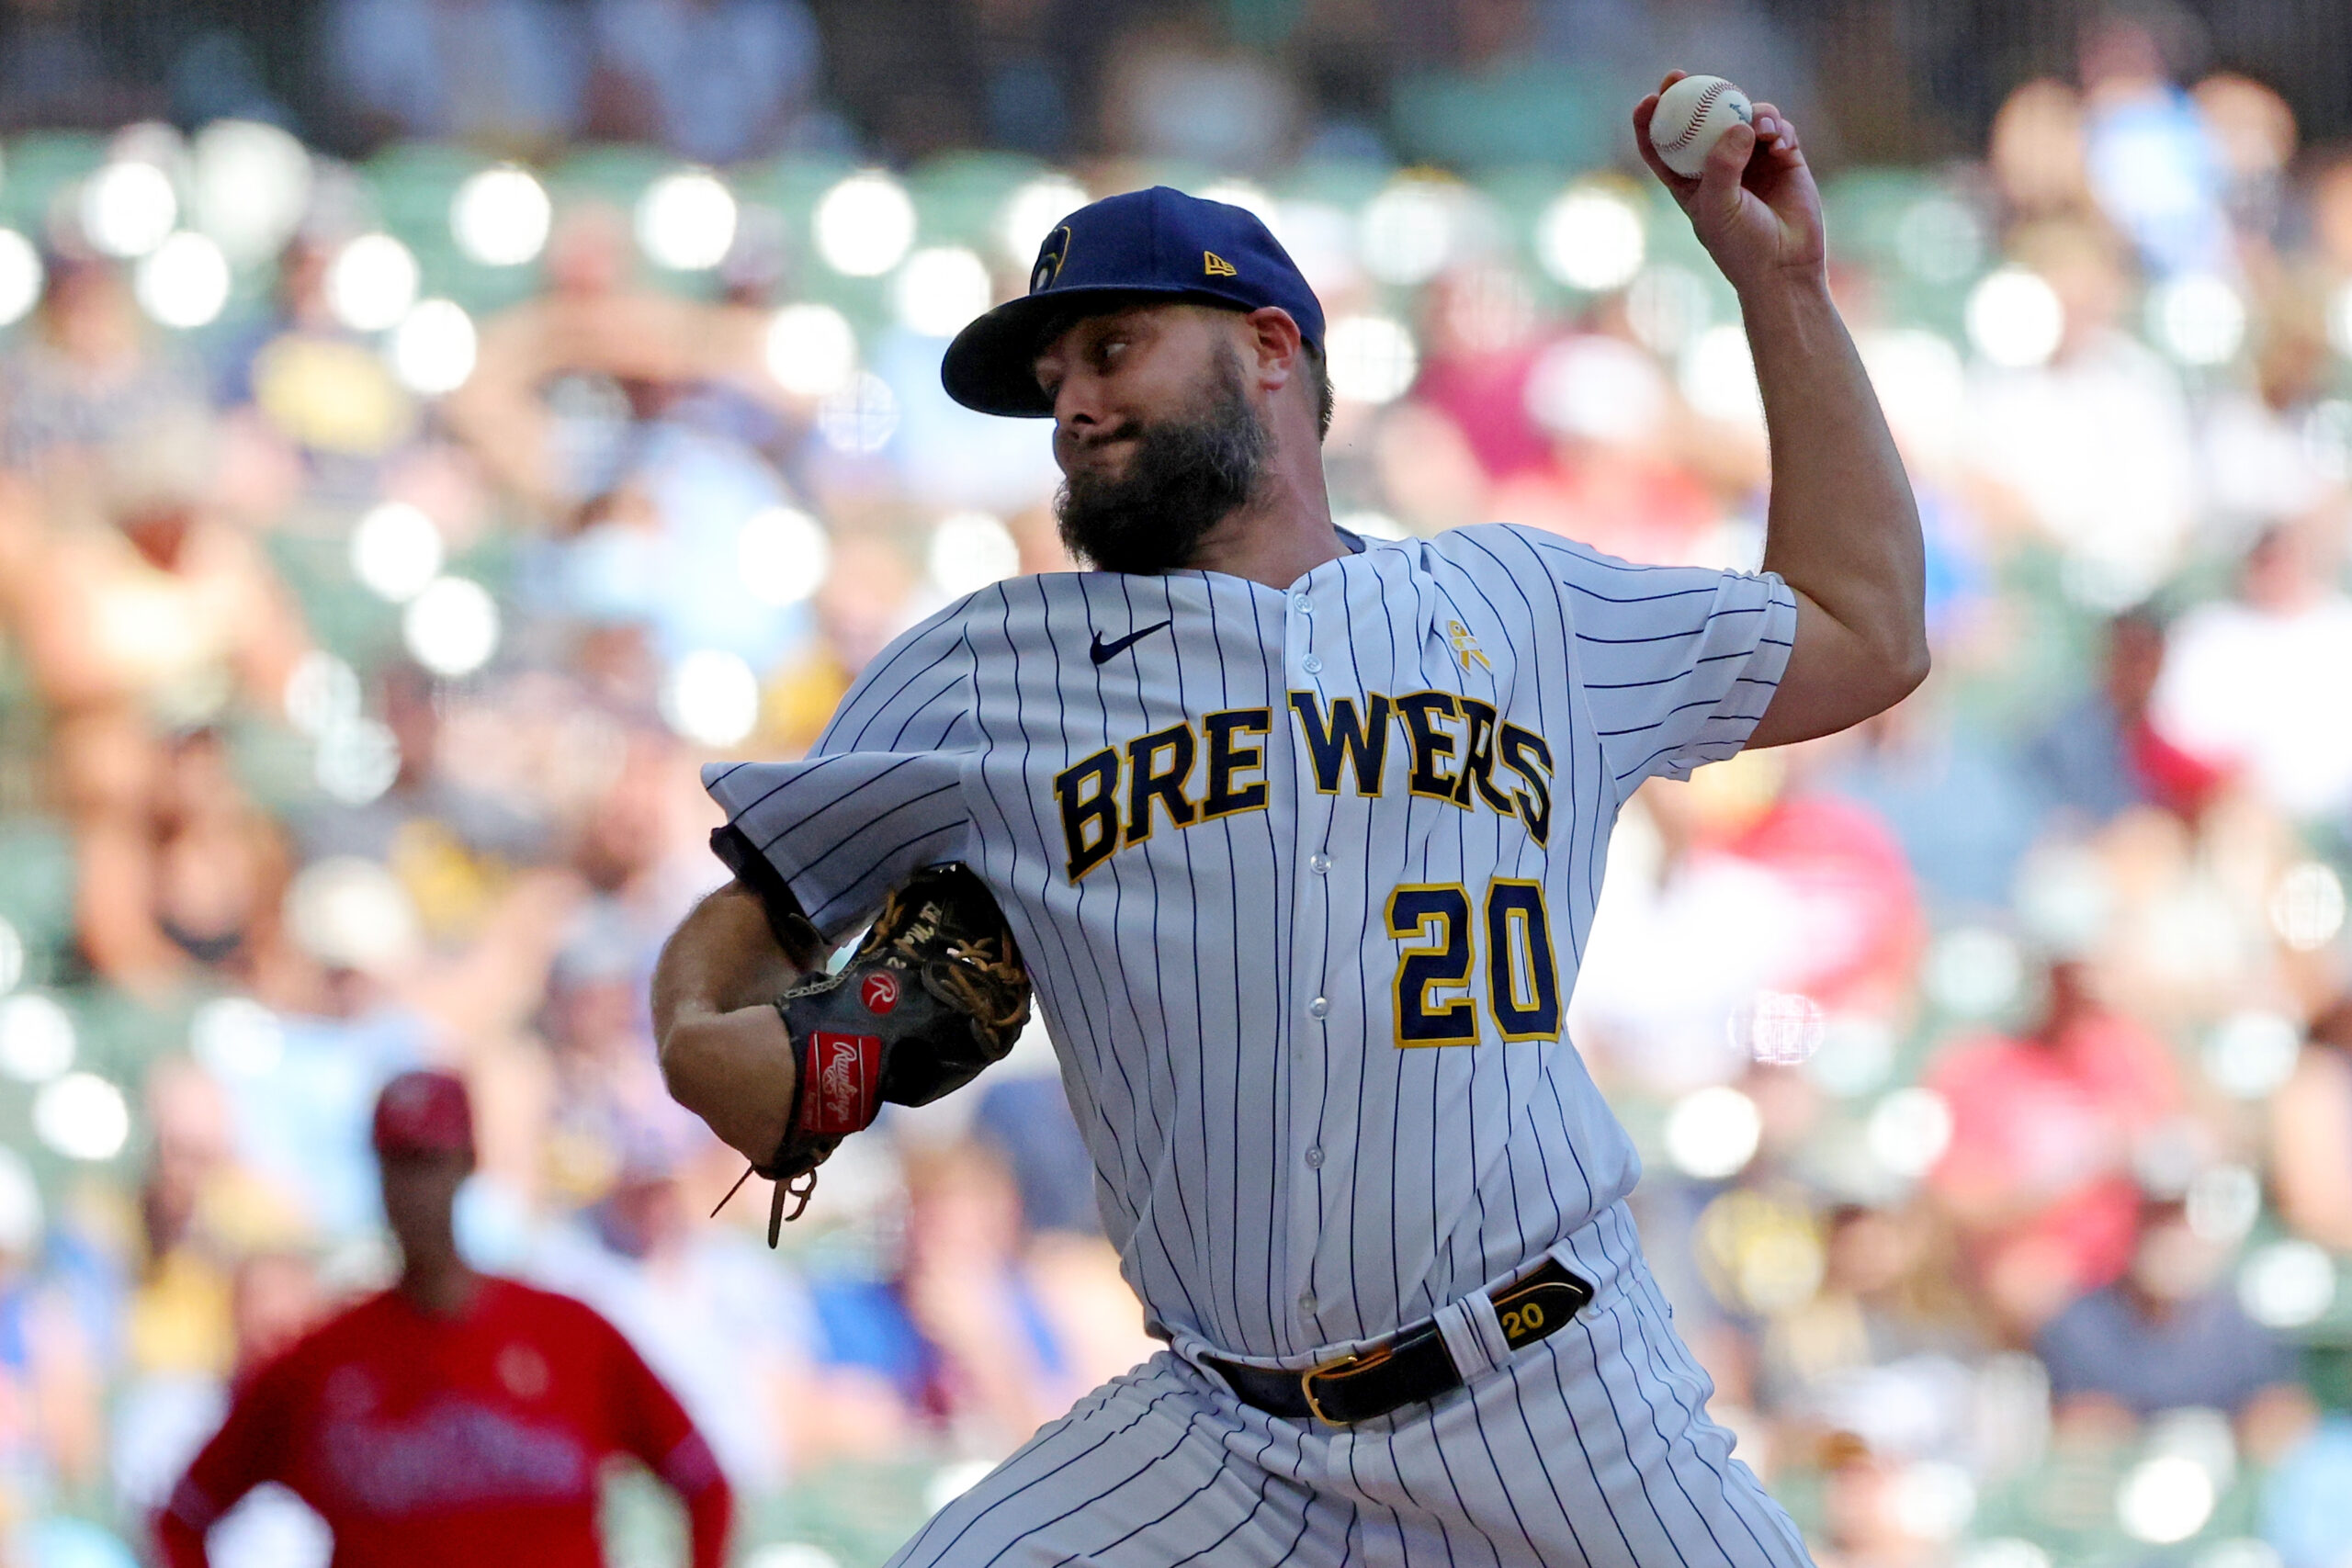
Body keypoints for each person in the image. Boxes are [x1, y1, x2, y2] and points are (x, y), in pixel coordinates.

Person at [655, 72, 1925, 1564]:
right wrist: (704, 1038)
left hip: (1562, 1397)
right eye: (1054, 376)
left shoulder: (1520, 605)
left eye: (1112, 347)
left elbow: (1864, 625)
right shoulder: (982, 670)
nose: (1071, 402)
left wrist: (1778, 284)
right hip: (1226, 1440)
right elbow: (756, 907)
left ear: (1270, 349)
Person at [153, 1070, 731, 1568]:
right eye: (399, 1164)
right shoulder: (322, 1362)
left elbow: (704, 1484)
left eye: (430, 1162)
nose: (414, 1190)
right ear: (376, 1172)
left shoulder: (569, 1334)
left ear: (467, 1164)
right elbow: (184, 1515)